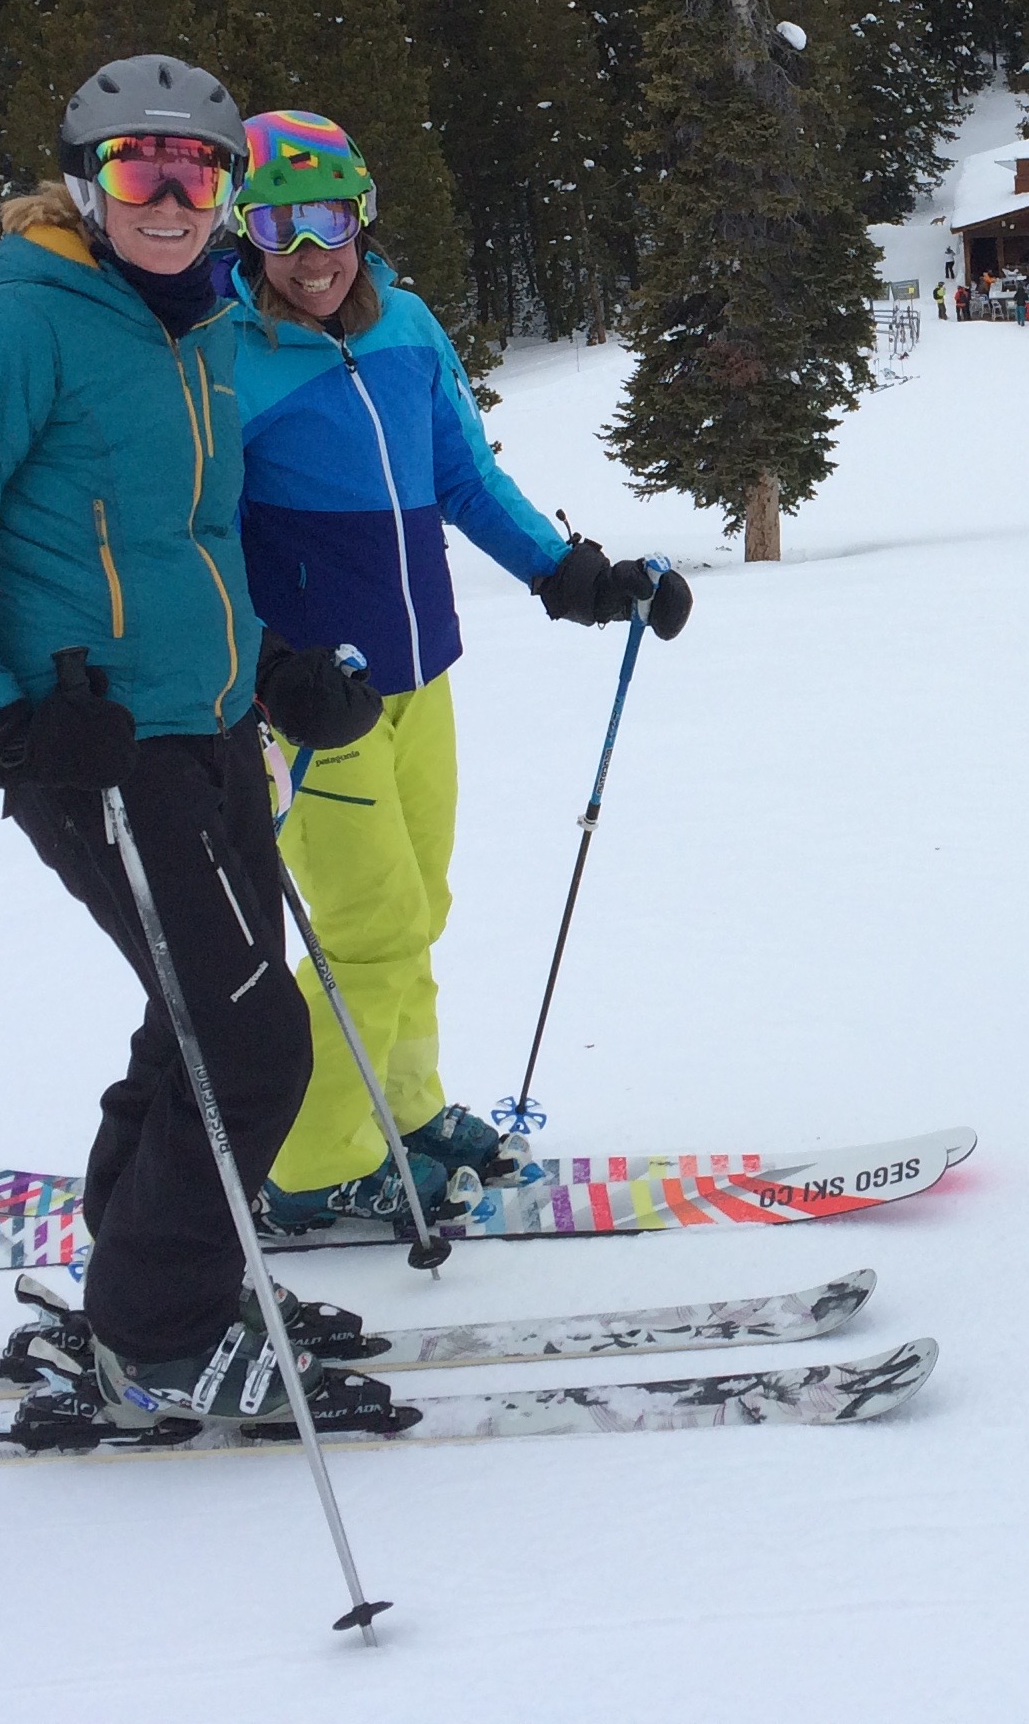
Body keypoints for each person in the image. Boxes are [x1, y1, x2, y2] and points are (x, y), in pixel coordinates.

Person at [0, 57, 395, 1432]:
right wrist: (4, 730)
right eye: (138, 172)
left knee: (199, 1019)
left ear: (229, 193)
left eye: (196, 174)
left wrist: (276, 672)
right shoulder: (18, 331)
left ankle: (146, 1284)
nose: (168, 200)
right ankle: (157, 1345)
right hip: (99, 756)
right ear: (88, 185)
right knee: (254, 1043)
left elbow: (197, 545)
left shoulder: (204, 328)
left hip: (212, 734)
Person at [223, 112, 695, 1227]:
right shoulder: (220, 355)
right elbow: (198, 538)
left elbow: (465, 478)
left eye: (328, 215)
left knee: (417, 906)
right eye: (278, 225)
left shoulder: (409, 329)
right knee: (370, 923)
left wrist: (570, 574)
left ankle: (408, 1107)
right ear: (244, 232)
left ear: (363, 211)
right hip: (307, 707)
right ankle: (312, 1162)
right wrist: (266, 666)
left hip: (416, 676)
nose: (310, 252)